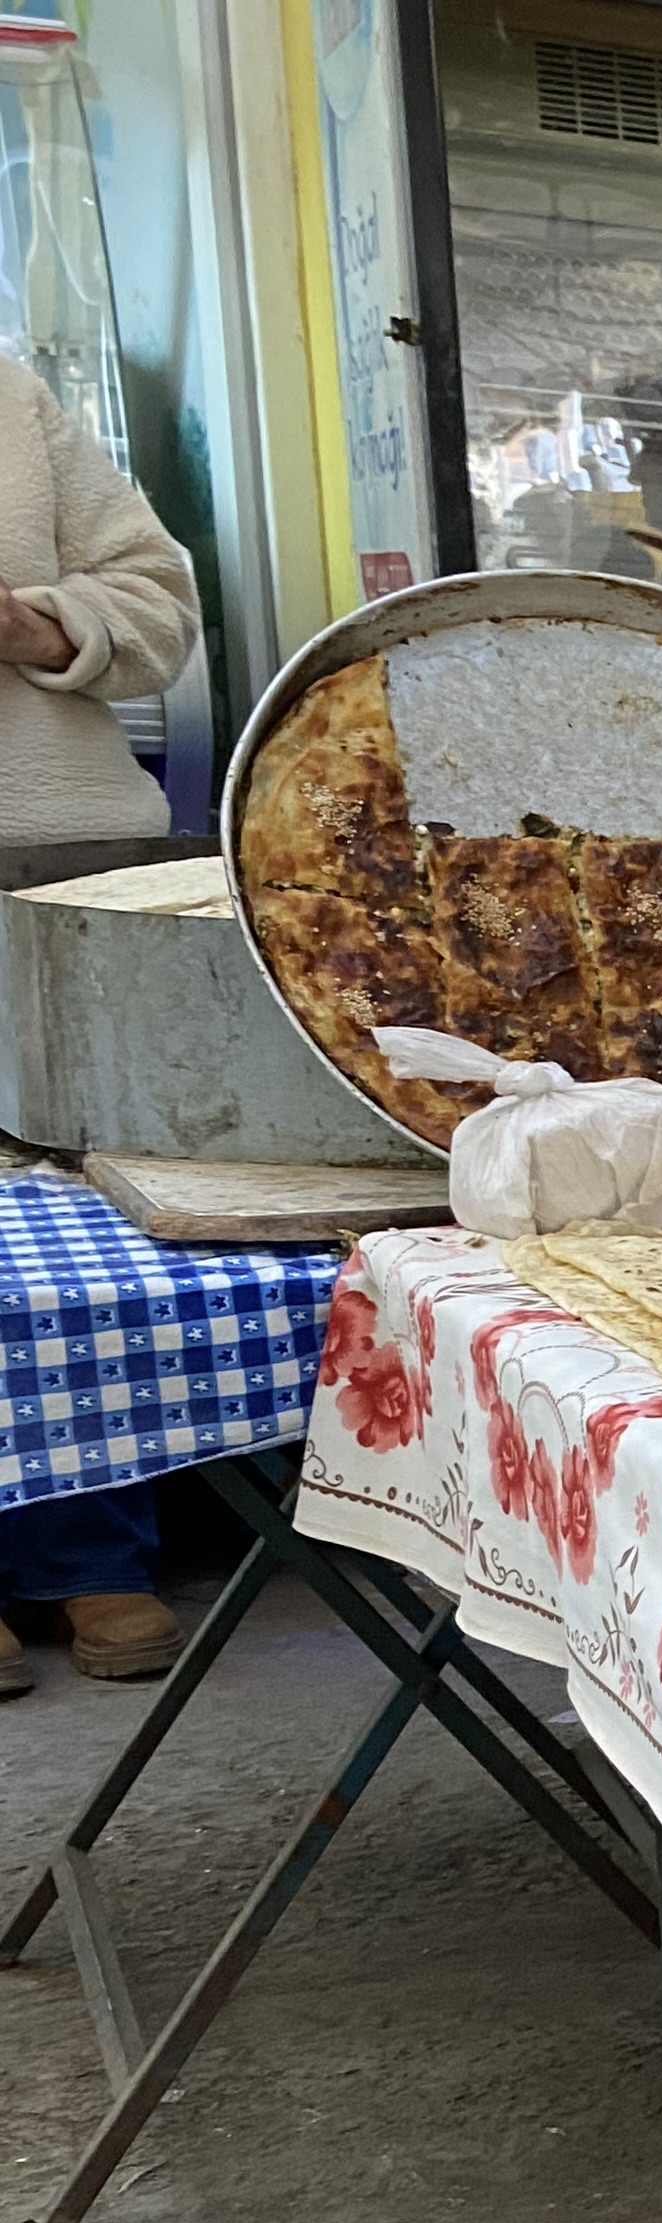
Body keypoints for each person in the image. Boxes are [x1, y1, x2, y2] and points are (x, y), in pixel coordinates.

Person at [0, 346, 201, 1695]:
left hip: (64, 855)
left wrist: (35, 625)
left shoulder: (11, 393)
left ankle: (93, 1551)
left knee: (75, 1216)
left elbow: (159, 594)